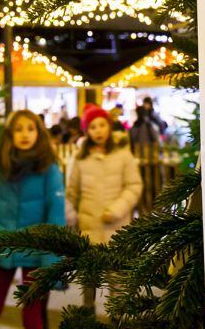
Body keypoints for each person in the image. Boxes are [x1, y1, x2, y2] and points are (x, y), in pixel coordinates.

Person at [0, 110, 64, 329]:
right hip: (4, 247)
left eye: (30, 128)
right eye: (18, 129)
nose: (24, 134)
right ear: (9, 135)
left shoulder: (50, 171)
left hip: (35, 250)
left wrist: (53, 265)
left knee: (32, 314)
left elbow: (56, 218)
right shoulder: (0, 168)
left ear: (39, 133)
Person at [66, 104, 142, 308]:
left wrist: (117, 209)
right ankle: (87, 315)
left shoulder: (123, 154)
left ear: (109, 126)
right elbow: (72, 191)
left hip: (116, 227)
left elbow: (134, 186)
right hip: (88, 226)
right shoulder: (80, 157)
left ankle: (118, 316)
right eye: (92, 127)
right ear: (86, 131)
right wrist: (70, 215)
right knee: (88, 280)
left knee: (116, 279)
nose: (98, 130)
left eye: (101, 125)